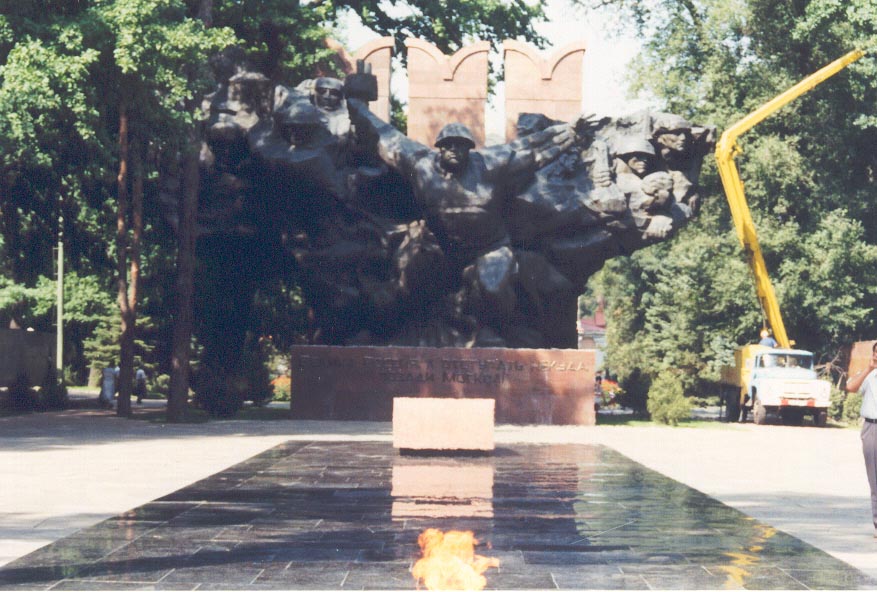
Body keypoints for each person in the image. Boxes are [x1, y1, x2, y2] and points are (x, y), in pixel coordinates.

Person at [845, 341, 877, 538]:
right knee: (875, 477)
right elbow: (850, 387)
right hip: (872, 428)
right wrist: (868, 369)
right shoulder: (870, 376)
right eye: (876, 353)